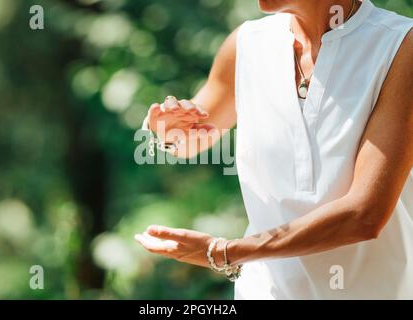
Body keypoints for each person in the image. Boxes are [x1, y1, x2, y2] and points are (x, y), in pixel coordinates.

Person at [135, 0, 413, 299]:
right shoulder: (246, 45)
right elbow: (192, 138)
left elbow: (364, 216)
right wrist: (167, 130)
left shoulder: (399, 46)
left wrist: (225, 252)